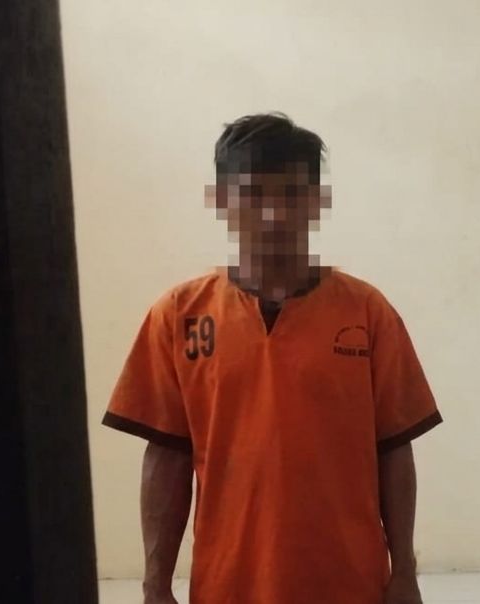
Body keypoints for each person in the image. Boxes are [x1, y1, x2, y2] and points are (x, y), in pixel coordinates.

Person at [102, 113, 443, 604]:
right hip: (227, 586)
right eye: (254, 194)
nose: (274, 214)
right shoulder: (179, 315)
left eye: (292, 194)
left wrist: (404, 572)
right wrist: (155, 585)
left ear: (317, 202)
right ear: (222, 201)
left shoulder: (367, 312)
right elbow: (167, 456)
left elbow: (393, 449)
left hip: (350, 583)